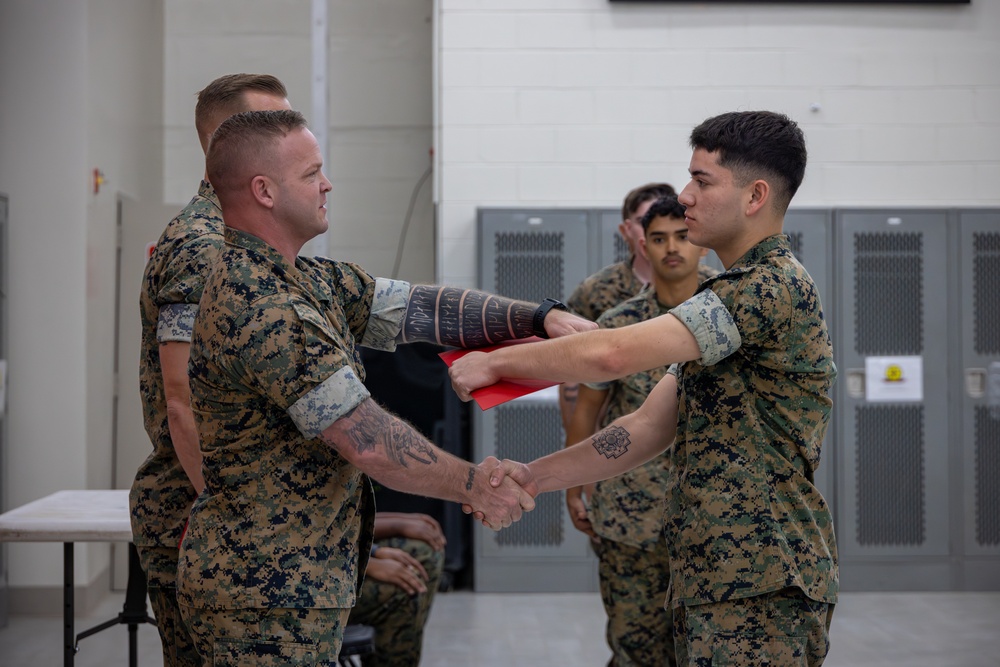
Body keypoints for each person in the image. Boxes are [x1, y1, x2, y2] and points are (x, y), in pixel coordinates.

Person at [176, 109, 595, 664]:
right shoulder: (263, 305)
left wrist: (539, 318)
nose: (327, 184)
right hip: (262, 594)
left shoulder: (307, 280)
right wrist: (476, 485)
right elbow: (368, 440)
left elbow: (418, 307)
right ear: (264, 191)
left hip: (294, 581)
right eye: (311, 173)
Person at [452, 110, 839, 666]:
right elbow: (644, 428)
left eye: (702, 180)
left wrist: (495, 363)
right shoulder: (728, 302)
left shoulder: (768, 285)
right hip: (716, 577)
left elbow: (612, 353)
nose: (685, 196)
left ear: (755, 196)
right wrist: (534, 478)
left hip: (763, 581)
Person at [130, 73, 292, 667]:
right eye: (272, 125)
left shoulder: (249, 240)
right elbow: (182, 402)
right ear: (225, 142)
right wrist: (238, 527)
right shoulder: (205, 247)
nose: (290, 137)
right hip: (205, 522)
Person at [565, 195, 712, 667]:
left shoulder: (728, 311)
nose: (672, 248)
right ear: (642, 246)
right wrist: (574, 485)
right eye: (659, 239)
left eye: (682, 236)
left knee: (707, 651)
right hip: (631, 513)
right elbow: (587, 410)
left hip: (713, 518)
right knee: (636, 648)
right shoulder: (621, 325)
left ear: (701, 242)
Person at [349, 513, 447, 666]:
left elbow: (341, 521)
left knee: (424, 548)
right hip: (314, 584)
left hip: (334, 555)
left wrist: (399, 523)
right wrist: (368, 564)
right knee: (402, 590)